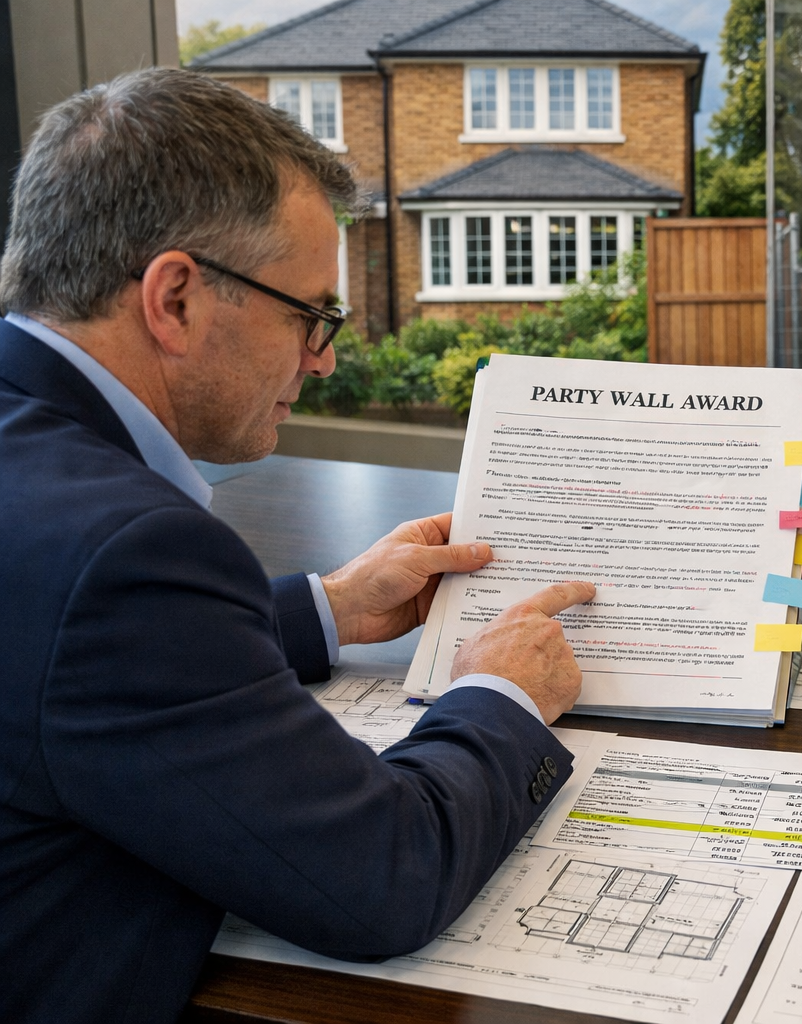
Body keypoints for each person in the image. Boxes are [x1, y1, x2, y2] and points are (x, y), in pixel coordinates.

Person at [0, 68, 596, 1023]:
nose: (322, 357)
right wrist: (501, 694)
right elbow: (383, 875)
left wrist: (328, 607)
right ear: (177, 299)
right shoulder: (128, 553)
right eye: (311, 313)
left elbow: (62, 656)